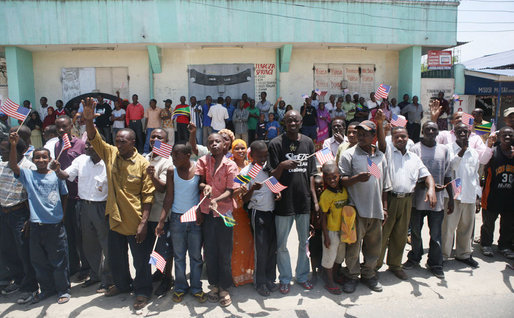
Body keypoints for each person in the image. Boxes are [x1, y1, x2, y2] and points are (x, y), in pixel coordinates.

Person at [82, 98, 156, 310]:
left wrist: (143, 224)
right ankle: (123, 286)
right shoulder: (111, 154)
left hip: (135, 222)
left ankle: (142, 291)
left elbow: (148, 196)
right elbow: (95, 138)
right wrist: (89, 121)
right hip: (114, 218)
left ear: (133, 142)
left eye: (123, 141)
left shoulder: (143, 164)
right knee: (117, 258)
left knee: (140, 261)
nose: (118, 143)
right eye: (117, 140)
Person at [9, 132, 70, 304]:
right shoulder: (28, 175)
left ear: (50, 159)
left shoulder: (56, 175)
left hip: (55, 226)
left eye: (44, 157)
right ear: (33, 160)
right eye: (37, 158)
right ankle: (47, 289)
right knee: (39, 261)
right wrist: (13, 145)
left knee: (58, 260)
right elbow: (13, 165)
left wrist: (62, 216)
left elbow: (64, 196)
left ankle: (63, 290)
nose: (41, 160)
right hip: (36, 226)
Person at [375, 114, 436, 281]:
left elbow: (427, 176)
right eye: (397, 137)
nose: (400, 139)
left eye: (403, 136)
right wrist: (380, 124)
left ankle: (395, 265)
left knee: (400, 235)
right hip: (389, 199)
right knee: (383, 234)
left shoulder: (414, 158)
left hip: (407, 200)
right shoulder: (387, 152)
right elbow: (381, 143)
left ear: (408, 138)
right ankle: (374, 267)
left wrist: (431, 189)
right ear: (392, 139)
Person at [51, 140, 113, 292]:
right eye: (86, 145)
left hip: (103, 206)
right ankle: (96, 275)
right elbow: (66, 175)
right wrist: (58, 170)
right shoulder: (80, 160)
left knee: (107, 245)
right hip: (84, 206)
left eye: (91, 145)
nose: (86, 147)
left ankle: (108, 280)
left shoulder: (109, 161)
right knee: (89, 244)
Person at [339, 120, 391, 293]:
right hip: (354, 210)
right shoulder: (349, 155)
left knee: (373, 246)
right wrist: (356, 178)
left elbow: (384, 186)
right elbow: (341, 181)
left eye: (365, 134)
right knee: (353, 247)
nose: (360, 137)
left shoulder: (380, 156)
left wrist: (384, 208)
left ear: (373, 136)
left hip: (375, 210)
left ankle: (369, 274)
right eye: (359, 133)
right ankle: (352, 275)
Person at [268, 110, 317, 294]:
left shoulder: (308, 142)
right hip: (283, 203)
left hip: (303, 201)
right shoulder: (275, 144)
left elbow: (312, 174)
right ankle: (285, 278)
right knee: (282, 245)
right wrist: (282, 165)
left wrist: (313, 200)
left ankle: (303, 276)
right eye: (289, 120)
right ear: (284, 123)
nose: (293, 123)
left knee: (304, 243)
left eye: (296, 120)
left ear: (301, 122)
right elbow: (271, 176)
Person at [156, 143, 207, 304]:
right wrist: (162, 221)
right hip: (177, 219)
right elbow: (169, 197)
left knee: (196, 256)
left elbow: (202, 191)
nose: (173, 158)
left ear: (187, 155)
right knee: (178, 256)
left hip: (194, 219)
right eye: (172, 155)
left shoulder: (198, 169)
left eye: (176, 155)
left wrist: (200, 210)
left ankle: (196, 288)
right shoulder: (172, 171)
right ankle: (180, 287)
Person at [404, 121, 453, 279]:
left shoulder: (444, 150)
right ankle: (414, 257)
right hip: (417, 200)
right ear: (422, 132)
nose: (431, 131)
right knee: (416, 233)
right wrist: (426, 186)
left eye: (434, 129)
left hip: (437, 201)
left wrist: (450, 197)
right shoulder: (415, 149)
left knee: (436, 234)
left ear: (438, 132)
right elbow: (410, 175)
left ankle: (435, 263)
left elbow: (448, 175)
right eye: (427, 129)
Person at [196, 133, 239, 307]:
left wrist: (217, 199)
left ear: (224, 145)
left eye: (217, 142)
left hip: (225, 212)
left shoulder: (231, 164)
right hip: (207, 212)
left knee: (225, 251)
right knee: (210, 251)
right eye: (211, 142)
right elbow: (199, 182)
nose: (214, 144)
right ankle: (213, 284)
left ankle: (224, 287)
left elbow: (231, 190)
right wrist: (205, 186)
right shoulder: (203, 161)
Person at [0, 136, 38, 304]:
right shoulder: (1, 164)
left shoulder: (29, 167)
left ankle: (31, 287)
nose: (1, 153)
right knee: (9, 249)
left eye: (5, 150)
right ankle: (18, 280)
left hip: (20, 213)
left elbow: (33, 195)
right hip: (4, 213)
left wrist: (29, 219)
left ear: (17, 151)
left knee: (24, 251)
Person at [241, 140, 279, 296]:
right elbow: (243, 199)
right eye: (259, 156)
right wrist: (252, 189)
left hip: (272, 212)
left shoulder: (268, 168)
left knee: (272, 249)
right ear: (251, 156)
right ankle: (260, 282)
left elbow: (275, 185)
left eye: (265, 155)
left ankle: (270, 279)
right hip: (258, 213)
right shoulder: (246, 172)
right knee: (261, 249)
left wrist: (278, 192)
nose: (263, 158)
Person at [54, 116, 89, 280]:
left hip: (78, 195)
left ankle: (86, 267)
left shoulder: (80, 145)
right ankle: (73, 266)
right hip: (64, 196)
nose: (61, 130)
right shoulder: (57, 145)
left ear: (71, 126)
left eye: (64, 127)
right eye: (58, 127)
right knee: (68, 233)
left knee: (80, 233)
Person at [442, 122, 481, 268]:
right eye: (460, 131)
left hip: (469, 194)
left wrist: (477, 196)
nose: (463, 134)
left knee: (466, 227)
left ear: (470, 133)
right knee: (448, 227)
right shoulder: (448, 149)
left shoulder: (474, 152)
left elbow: (475, 176)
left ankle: (463, 254)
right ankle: (444, 255)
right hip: (454, 193)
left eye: (466, 131)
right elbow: (451, 167)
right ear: (454, 133)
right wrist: (462, 150)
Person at [144, 129, 175, 296]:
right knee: (151, 248)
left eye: (159, 137)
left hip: (161, 213)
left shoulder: (168, 161)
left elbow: (163, 188)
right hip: (145, 213)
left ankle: (166, 279)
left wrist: (153, 176)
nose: (155, 139)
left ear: (166, 141)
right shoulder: (145, 158)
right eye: (153, 137)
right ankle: (158, 272)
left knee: (164, 249)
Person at [480, 126, 514, 259]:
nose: (507, 137)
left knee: (507, 223)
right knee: (488, 222)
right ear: (499, 137)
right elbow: (483, 170)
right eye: (504, 135)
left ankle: (504, 246)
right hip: (492, 194)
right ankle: (486, 244)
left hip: (509, 196)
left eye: (510, 135)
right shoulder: (493, 152)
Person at [319, 162, 350, 295]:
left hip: (343, 230)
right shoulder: (326, 195)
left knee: (339, 256)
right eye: (329, 178)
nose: (332, 180)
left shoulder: (344, 190)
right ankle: (329, 282)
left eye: (335, 177)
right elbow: (323, 217)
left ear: (339, 176)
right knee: (329, 257)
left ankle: (336, 275)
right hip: (331, 231)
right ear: (324, 179)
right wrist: (326, 236)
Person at [230, 139, 255, 287]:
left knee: (249, 242)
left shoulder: (249, 166)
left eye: (242, 148)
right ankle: (236, 275)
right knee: (236, 243)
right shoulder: (230, 166)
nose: (240, 151)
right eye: (236, 148)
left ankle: (248, 274)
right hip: (234, 209)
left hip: (248, 208)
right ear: (232, 151)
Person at [309, 174, 323, 283]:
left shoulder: (325, 198)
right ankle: (313, 272)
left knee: (323, 251)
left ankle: (322, 270)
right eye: (316, 187)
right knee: (313, 253)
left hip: (324, 230)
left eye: (321, 186)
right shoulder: (310, 202)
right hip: (313, 231)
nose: (319, 189)